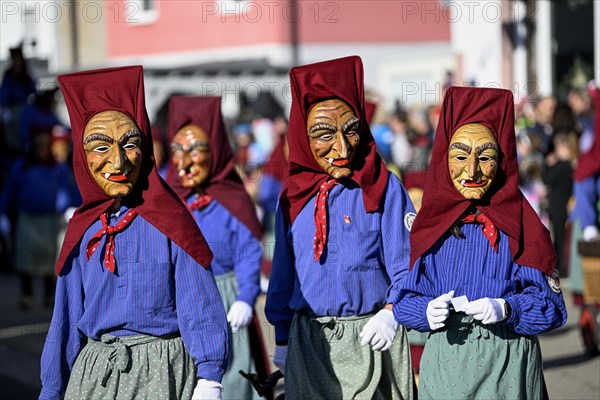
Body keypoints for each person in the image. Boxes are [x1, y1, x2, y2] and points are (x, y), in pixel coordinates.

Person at [39, 66, 230, 400]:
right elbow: (65, 322)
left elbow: (197, 302)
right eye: (100, 147)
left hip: (162, 373)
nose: (118, 162)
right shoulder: (82, 231)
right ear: (81, 158)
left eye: (129, 144)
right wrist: (52, 388)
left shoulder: (171, 222)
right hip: (94, 376)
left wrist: (209, 376)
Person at [393, 86, 567, 399]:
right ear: (444, 157)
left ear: (502, 160)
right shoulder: (432, 226)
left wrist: (507, 308)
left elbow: (551, 307)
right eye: (460, 156)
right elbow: (404, 299)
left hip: (507, 366)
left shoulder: (522, 226)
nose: (472, 171)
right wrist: (425, 310)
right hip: (447, 366)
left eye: (485, 157)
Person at [265, 56, 415, 399]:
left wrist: (392, 313)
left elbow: (406, 263)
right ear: (302, 135)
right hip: (310, 343)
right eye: (323, 134)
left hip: (371, 338)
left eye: (351, 131)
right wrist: (283, 340)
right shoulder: (294, 196)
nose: (342, 148)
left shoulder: (383, 187)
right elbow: (283, 275)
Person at [166, 95, 267, 400]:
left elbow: (248, 251)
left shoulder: (232, 201)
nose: (186, 161)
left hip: (224, 296)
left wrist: (246, 296)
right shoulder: (167, 200)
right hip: (179, 301)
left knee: (233, 378)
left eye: (196, 150)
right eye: (178, 150)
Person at [0, 127, 78, 309]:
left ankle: (49, 295)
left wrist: (70, 209)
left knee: (49, 259)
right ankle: (26, 294)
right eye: (38, 145)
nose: (41, 149)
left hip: (51, 220)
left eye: (44, 145)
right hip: (27, 218)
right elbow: (10, 189)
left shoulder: (58, 168)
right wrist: (2, 213)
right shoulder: (22, 165)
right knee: (25, 258)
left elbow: (68, 190)